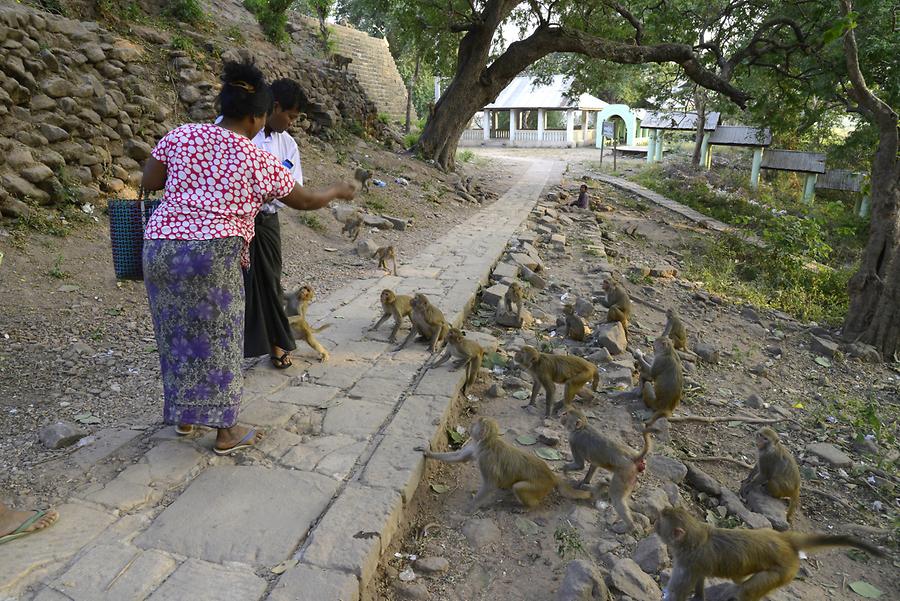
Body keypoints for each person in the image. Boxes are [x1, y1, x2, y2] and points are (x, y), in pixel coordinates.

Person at [140, 60, 356, 454]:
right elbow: (304, 199)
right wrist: (337, 191)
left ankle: (186, 418)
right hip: (212, 255)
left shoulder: (181, 135)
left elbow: (150, 180)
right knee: (220, 338)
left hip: (160, 250)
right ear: (258, 116)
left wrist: (193, 184)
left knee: (179, 335)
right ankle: (226, 432)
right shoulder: (256, 159)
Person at [218, 79, 306, 369]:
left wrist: (268, 195)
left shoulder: (288, 144)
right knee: (235, 283)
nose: (291, 123)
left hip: (266, 221)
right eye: (290, 116)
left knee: (270, 280)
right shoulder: (235, 130)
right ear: (275, 107)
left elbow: (294, 189)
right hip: (232, 219)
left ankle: (276, 343)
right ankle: (229, 347)